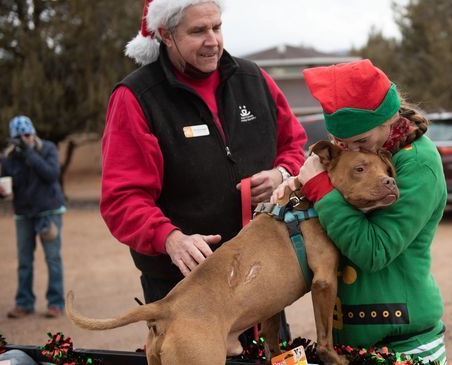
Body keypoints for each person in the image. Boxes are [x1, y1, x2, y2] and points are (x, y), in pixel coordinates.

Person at [100, 0, 306, 342]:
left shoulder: (254, 79)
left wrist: (282, 174)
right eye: (198, 31)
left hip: (263, 273)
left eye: (217, 27)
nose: (213, 40)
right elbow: (122, 198)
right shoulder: (136, 97)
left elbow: (294, 145)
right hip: (183, 286)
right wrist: (170, 238)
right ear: (165, 34)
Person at [272, 59, 448, 363]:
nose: (351, 150)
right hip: (346, 341)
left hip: (402, 342)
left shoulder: (417, 162)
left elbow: (374, 251)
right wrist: (295, 185)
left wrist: (321, 189)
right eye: (341, 142)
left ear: (390, 119)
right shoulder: (354, 153)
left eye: (361, 141)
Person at [0, 115, 67, 319]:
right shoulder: (9, 157)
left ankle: (55, 303)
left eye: (27, 134)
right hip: (23, 213)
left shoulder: (47, 149)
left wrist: (29, 154)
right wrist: (2, 191)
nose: (24, 139)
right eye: (19, 137)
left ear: (33, 132)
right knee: (24, 260)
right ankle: (24, 302)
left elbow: (51, 174)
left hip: (49, 212)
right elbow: (6, 184)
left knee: (53, 258)